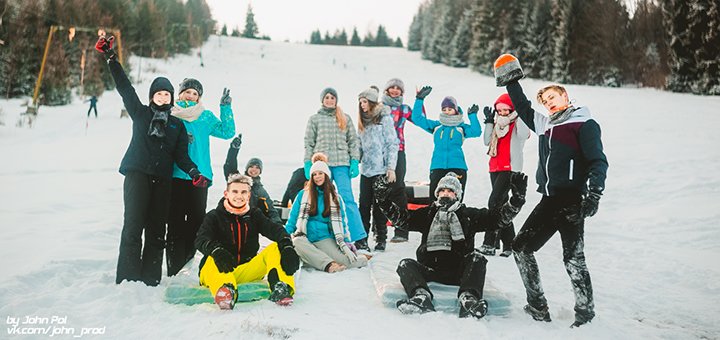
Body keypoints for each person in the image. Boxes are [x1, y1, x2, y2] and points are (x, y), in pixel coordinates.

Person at [494, 53, 609, 327]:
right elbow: (521, 107)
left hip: (572, 202)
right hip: (548, 201)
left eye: (553, 98)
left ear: (565, 96)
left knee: (573, 259)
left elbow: (597, 161)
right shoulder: (546, 124)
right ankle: (537, 306)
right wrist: (511, 81)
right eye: (545, 102)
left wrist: (593, 194)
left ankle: (585, 314)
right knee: (521, 247)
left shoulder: (584, 123)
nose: (548, 103)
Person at [95, 35, 208, 286]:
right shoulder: (141, 113)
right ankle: (127, 276)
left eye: (167, 94)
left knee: (158, 230)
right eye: (158, 93)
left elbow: (181, 155)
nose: (163, 97)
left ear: (171, 99)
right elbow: (125, 88)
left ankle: (150, 278)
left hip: (163, 180)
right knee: (133, 225)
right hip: (137, 174)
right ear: (152, 96)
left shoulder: (177, 124)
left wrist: (194, 172)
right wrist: (111, 58)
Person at [373, 172, 527, 318]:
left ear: (457, 195)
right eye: (442, 190)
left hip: (459, 272)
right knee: (405, 264)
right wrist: (383, 200)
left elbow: (497, 219)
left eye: (450, 191)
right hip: (430, 270)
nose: (445, 194)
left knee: (477, 258)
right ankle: (420, 296)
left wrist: (516, 201)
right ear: (437, 194)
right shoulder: (428, 213)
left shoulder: (467, 215)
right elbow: (401, 218)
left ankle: (469, 299)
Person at [194, 174, 301, 310]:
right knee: (211, 258)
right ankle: (226, 292)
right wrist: (216, 250)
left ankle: (282, 288)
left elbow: (275, 229)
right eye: (235, 191)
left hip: (246, 270)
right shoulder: (214, 216)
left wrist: (287, 245)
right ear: (226, 194)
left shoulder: (254, 214)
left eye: (244, 192)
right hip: (219, 270)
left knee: (276, 247)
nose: (239, 196)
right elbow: (201, 239)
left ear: (249, 195)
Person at [166, 79, 235, 276]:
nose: (190, 96)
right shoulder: (172, 114)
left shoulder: (205, 117)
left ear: (199, 98)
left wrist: (225, 107)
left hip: (201, 177)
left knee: (197, 222)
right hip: (176, 175)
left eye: (195, 94)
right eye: (187, 92)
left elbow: (227, 131)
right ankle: (173, 265)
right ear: (180, 94)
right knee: (175, 222)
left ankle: (187, 261)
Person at [285, 153, 369, 272]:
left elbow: (343, 221)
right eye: (314, 174)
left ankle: (361, 258)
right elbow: (292, 219)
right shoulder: (302, 195)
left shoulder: (335, 198)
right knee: (297, 242)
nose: (317, 177)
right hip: (305, 237)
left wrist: (346, 241)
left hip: (325, 239)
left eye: (320, 173)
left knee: (349, 263)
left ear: (326, 175)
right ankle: (329, 265)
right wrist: (284, 236)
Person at [304, 87, 366, 243]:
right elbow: (309, 142)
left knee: (346, 198)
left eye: (332, 97)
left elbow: (353, 141)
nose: (330, 100)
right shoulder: (314, 119)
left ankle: (358, 237)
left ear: (336, 100)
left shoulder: (345, 118)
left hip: (341, 163)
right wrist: (307, 163)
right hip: (321, 165)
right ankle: (323, 236)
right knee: (321, 198)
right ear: (322, 100)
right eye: (327, 97)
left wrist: (354, 161)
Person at [478, 93, 531, 258]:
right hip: (494, 167)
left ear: (511, 109)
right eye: (498, 110)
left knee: (493, 202)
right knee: (500, 205)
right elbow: (487, 141)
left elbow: (523, 135)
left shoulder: (516, 124)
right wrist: (488, 121)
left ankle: (489, 243)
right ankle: (509, 244)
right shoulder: (496, 124)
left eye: (505, 109)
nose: (502, 113)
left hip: (510, 168)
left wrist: (523, 112)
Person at [412, 86, 481, 200]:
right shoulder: (437, 126)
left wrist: (473, 116)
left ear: (455, 110)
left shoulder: (461, 127)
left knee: (456, 201)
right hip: (437, 167)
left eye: (450, 109)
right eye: (444, 109)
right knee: (435, 201)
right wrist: (419, 99)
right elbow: (417, 118)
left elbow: (476, 131)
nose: (447, 112)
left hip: (457, 167)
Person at [356, 86, 399, 252]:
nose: (362, 105)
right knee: (364, 206)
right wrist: (355, 161)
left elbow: (392, 144)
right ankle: (362, 238)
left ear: (372, 102)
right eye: (360, 102)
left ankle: (381, 238)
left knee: (379, 206)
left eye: (365, 102)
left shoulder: (384, 119)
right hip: (366, 170)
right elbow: (359, 145)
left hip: (381, 170)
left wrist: (391, 168)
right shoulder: (362, 121)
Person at [381, 78, 416, 243]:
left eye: (398, 88)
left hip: (399, 151)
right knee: (380, 189)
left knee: (397, 187)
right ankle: (378, 229)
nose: (395, 90)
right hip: (379, 153)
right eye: (392, 88)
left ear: (402, 92)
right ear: (387, 90)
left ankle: (401, 230)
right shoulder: (379, 107)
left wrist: (420, 99)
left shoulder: (403, 109)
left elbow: (418, 118)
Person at [223, 134, 282, 224]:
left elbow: (270, 208)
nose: (254, 170)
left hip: (250, 222)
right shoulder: (238, 180)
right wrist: (234, 149)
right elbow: (230, 165)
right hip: (232, 219)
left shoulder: (260, 189)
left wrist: (278, 225)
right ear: (247, 168)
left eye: (257, 167)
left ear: (260, 171)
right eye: (251, 166)